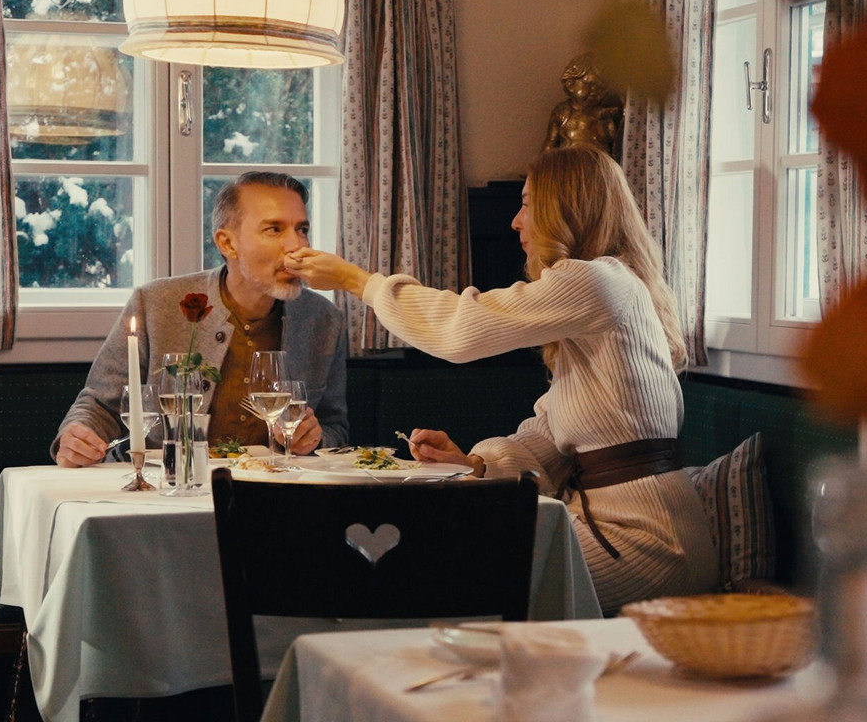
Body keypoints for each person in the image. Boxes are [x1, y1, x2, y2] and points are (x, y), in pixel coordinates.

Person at [285, 146, 718, 614]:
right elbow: (549, 434)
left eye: (528, 204)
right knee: (440, 569)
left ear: (566, 211)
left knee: (456, 582)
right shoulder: (604, 298)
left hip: (649, 541)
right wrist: (474, 464)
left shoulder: (598, 282)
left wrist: (358, 281)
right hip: (613, 527)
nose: (515, 221)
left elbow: (462, 328)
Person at [53, 172, 348, 467]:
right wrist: (78, 436)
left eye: (302, 229)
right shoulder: (155, 302)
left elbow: (335, 427)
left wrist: (316, 438)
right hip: (163, 481)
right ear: (227, 243)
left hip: (270, 485)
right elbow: (100, 404)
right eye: (274, 229)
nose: (297, 245)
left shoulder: (325, 320)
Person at [542, 52, 624, 160]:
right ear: (571, 85)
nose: (594, 91)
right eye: (589, 85)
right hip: (570, 165)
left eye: (600, 88)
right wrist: (542, 166)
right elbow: (550, 144)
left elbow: (616, 148)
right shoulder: (563, 112)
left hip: (600, 166)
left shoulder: (606, 115)